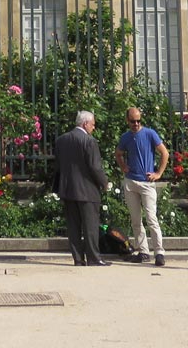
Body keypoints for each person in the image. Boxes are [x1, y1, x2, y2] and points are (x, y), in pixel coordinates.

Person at [114, 106, 169, 267]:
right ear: (127, 121)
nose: (136, 124)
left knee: (152, 218)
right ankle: (143, 251)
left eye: (138, 121)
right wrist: (123, 166)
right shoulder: (126, 137)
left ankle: (159, 252)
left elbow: (164, 153)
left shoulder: (150, 134)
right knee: (136, 219)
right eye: (133, 121)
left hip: (147, 182)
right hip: (131, 181)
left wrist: (158, 173)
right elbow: (118, 153)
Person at [54, 110, 110, 266]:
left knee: (73, 227)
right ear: (85, 124)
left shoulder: (61, 140)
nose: (94, 128)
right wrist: (104, 183)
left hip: (68, 189)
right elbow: (95, 167)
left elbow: (58, 165)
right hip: (87, 190)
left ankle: (78, 258)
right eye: (93, 124)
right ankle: (93, 257)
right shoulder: (89, 141)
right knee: (90, 225)